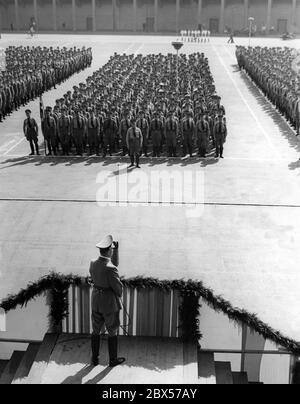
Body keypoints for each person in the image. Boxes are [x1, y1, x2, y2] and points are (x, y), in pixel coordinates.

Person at [89, 235, 126, 368]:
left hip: (96, 301)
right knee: (112, 330)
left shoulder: (93, 262)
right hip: (109, 304)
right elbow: (119, 289)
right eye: (111, 249)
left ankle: (94, 359)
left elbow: (111, 264)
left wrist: (115, 251)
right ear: (109, 250)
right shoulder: (111, 269)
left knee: (95, 330)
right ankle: (112, 360)